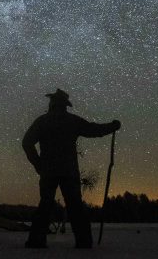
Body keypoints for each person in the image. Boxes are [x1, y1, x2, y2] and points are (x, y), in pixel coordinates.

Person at [22, 88, 121, 249]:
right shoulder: (72, 121)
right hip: (69, 171)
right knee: (75, 206)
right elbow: (93, 130)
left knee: (45, 205)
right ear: (64, 105)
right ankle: (84, 241)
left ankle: (36, 240)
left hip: (48, 171)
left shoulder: (42, 121)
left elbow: (26, 142)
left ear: (53, 103)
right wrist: (112, 127)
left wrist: (38, 164)